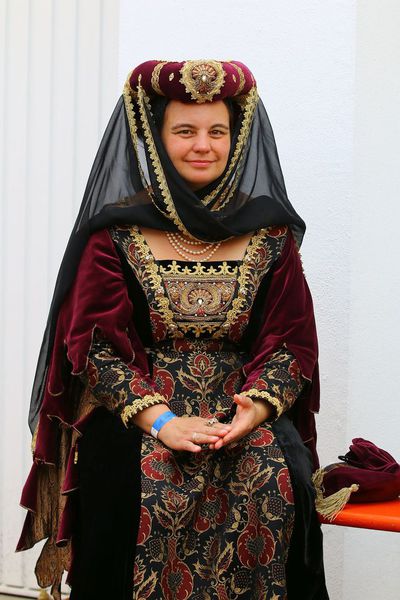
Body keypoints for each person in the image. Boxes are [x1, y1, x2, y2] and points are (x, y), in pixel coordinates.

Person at [17, 60, 329, 599]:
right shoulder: (115, 233)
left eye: (217, 132)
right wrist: (163, 423)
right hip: (139, 409)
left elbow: (291, 339)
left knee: (280, 475)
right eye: (185, 131)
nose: (203, 145)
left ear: (237, 139)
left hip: (242, 405)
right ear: (156, 139)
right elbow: (95, 347)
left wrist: (252, 412)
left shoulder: (271, 231)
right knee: (134, 485)